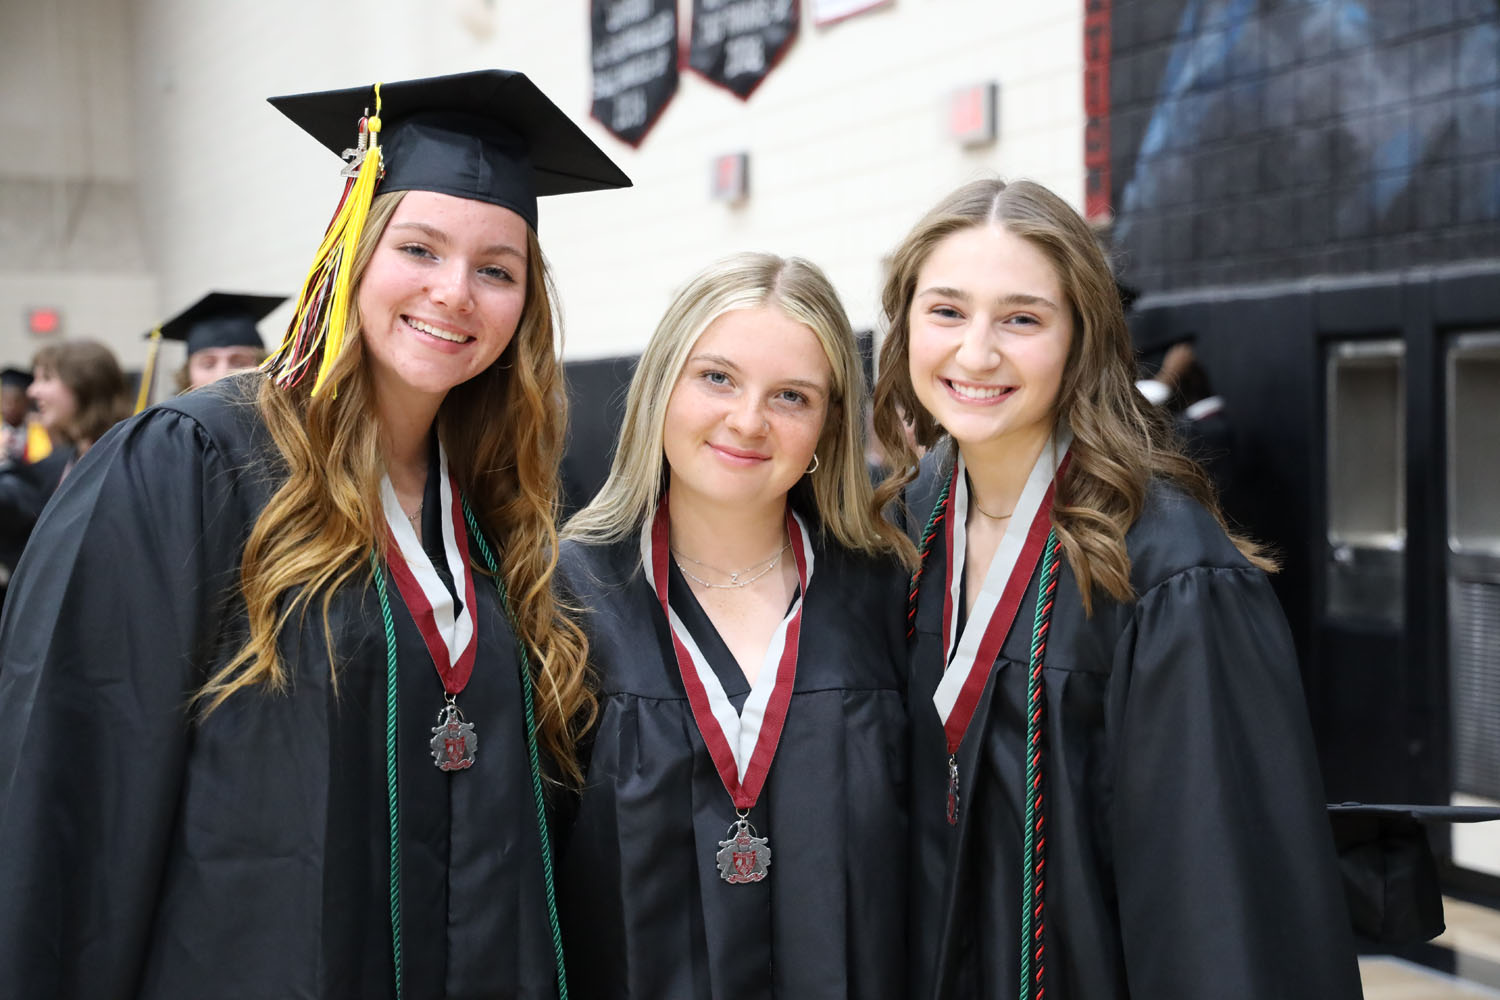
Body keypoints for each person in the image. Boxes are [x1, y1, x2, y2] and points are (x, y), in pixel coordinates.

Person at [0, 69, 630, 999]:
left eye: (497, 269)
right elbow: (70, 792)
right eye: (419, 248)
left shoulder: (504, 511)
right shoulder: (195, 464)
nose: (456, 292)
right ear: (352, 253)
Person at [871, 178, 1362, 1000]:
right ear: (905, 325)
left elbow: (1219, 905)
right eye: (947, 311)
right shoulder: (901, 528)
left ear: (1081, 338)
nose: (977, 352)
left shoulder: (1168, 567)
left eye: (1021, 318)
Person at [557, 252, 912, 998]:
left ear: (828, 426)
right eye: (716, 377)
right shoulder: (561, 599)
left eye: (791, 396)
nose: (748, 421)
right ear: (661, 387)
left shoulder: (890, 597)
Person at [145, 290, 285, 399]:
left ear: (264, 368)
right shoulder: (171, 433)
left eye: (240, 363)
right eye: (208, 364)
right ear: (187, 377)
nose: (222, 374)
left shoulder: (290, 429)